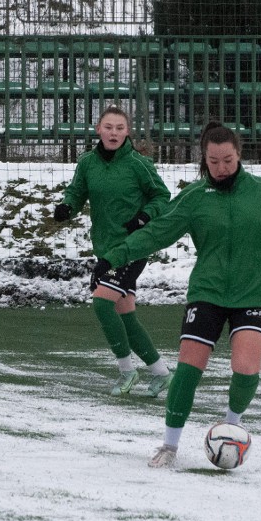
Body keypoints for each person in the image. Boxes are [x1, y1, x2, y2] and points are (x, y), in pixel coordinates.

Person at [93, 122, 261, 468]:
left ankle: (231, 429)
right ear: (205, 159)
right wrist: (115, 256)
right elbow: (157, 232)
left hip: (253, 293)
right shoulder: (194, 197)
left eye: (228, 160)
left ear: (239, 155)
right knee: (189, 367)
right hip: (208, 290)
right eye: (214, 161)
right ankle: (169, 445)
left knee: (246, 370)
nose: (222, 168)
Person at [53, 105, 173, 397]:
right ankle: (160, 373)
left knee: (102, 303)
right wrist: (67, 206)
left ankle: (126, 371)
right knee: (125, 317)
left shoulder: (138, 163)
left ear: (128, 132)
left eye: (120, 128)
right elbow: (77, 191)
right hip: (105, 247)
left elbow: (162, 195)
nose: (114, 132)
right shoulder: (87, 163)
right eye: (109, 127)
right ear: (98, 129)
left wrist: (143, 217)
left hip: (133, 247)